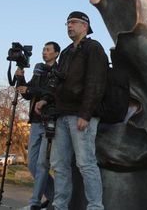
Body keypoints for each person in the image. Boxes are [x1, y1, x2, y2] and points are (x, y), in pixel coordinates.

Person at [36, 11, 108, 210]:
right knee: (59, 165)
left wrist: (86, 113)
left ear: (85, 26)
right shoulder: (67, 52)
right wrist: (45, 98)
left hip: (81, 115)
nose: (69, 26)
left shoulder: (94, 48)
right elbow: (57, 79)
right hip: (62, 114)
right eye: (67, 23)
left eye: (74, 23)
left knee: (86, 164)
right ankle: (60, 205)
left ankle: (95, 207)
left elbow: (96, 83)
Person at [16, 41, 60, 209]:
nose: (44, 52)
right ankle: (54, 196)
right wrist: (20, 78)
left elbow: (51, 92)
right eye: (43, 50)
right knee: (32, 164)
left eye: (48, 50)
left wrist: (31, 90)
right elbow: (29, 93)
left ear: (56, 53)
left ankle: (34, 202)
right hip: (35, 122)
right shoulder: (38, 69)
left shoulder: (58, 71)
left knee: (42, 164)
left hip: (49, 122)